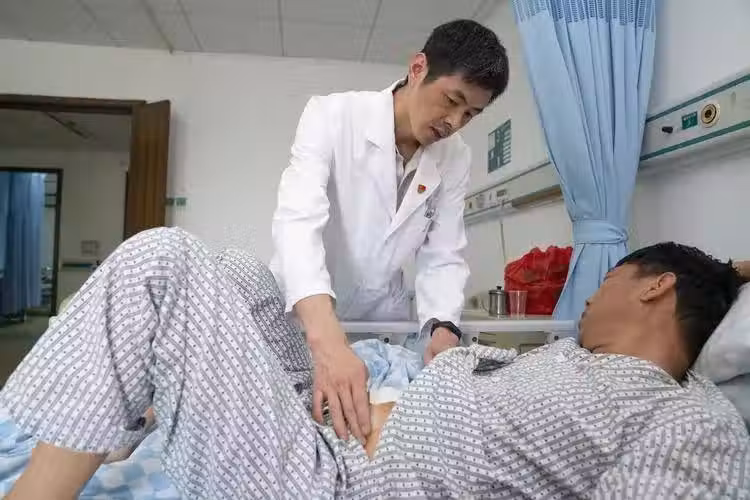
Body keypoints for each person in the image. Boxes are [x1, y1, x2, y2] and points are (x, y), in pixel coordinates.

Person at [2, 228, 749, 498]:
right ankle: (121, 418)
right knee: (238, 272)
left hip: (335, 484)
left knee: (162, 263)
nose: (590, 296)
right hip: (330, 424)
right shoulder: (570, 356)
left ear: (655, 287)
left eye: (610, 277)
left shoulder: (687, 416)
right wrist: (449, 350)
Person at [270, 20, 509, 443]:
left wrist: (443, 329)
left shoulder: (455, 156)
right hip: (309, 316)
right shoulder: (332, 116)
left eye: (470, 114)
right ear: (418, 68)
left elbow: (444, 254)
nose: (454, 122)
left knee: (376, 431)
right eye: (452, 100)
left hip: (382, 322)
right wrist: (327, 341)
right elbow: (298, 223)